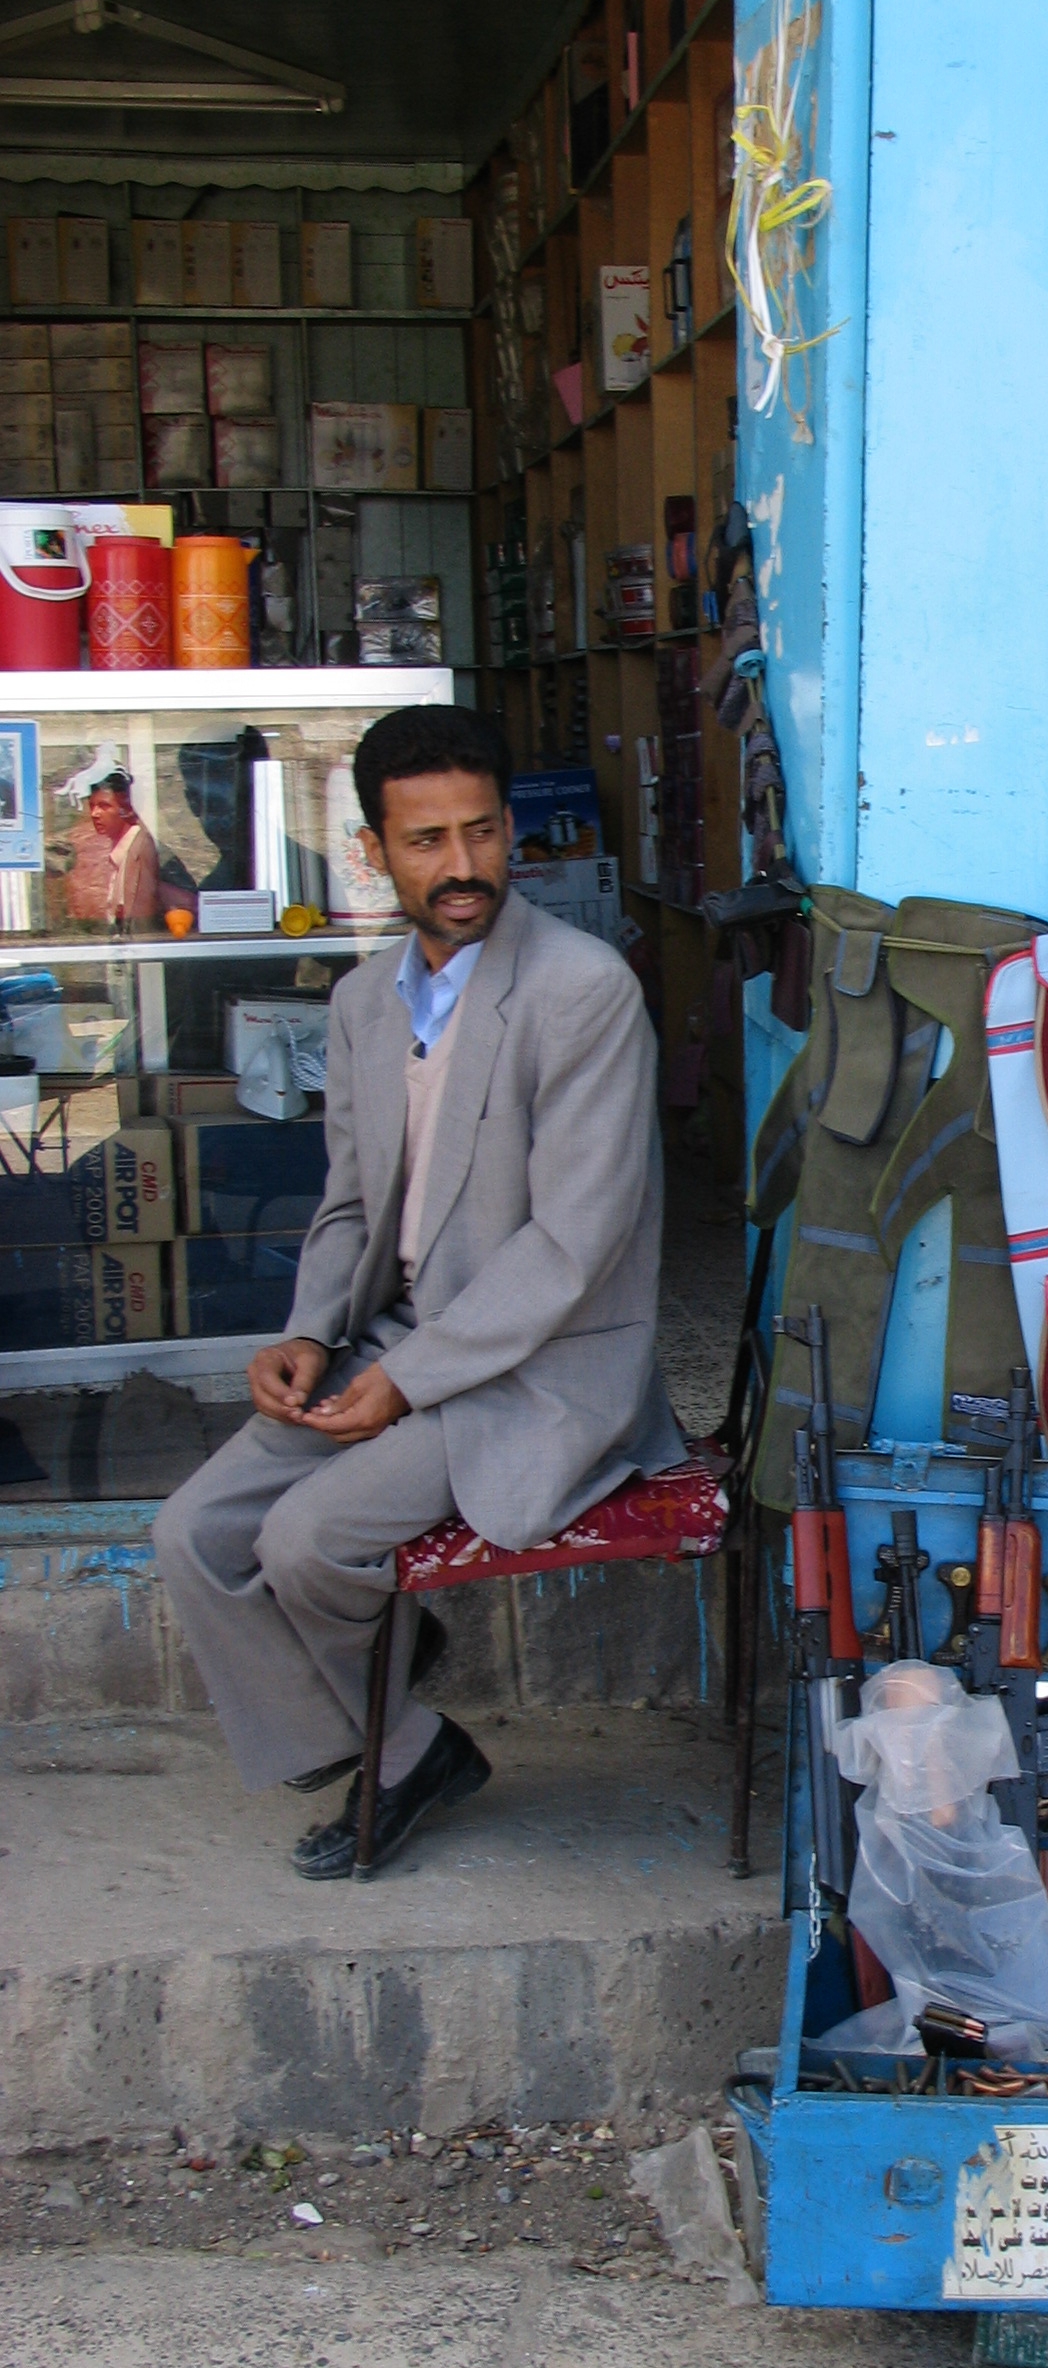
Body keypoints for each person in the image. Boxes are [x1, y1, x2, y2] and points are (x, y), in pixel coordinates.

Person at [154, 705, 683, 1878]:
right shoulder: (361, 1003)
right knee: (191, 1532)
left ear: (510, 835)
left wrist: (404, 1381)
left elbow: (575, 1241)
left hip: (539, 1368)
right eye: (428, 842)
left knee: (304, 1543)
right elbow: (351, 1204)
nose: (462, 868)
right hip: (390, 1342)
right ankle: (401, 1731)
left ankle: (389, 1734)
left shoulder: (583, 988)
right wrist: (305, 1333)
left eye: (483, 835)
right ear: (375, 854)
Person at [54, 748, 161, 928]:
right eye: (92, 806)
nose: (95, 814)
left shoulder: (141, 850)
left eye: (104, 806)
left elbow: (140, 923)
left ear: (126, 808)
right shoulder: (116, 850)